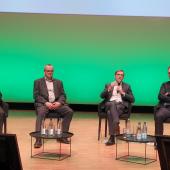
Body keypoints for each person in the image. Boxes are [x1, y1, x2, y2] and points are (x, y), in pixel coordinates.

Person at [33, 64, 73, 148]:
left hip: (56, 104)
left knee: (69, 112)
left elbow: (63, 95)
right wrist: (46, 103)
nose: (50, 72)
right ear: (44, 71)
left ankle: (63, 136)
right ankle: (38, 139)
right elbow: (36, 96)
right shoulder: (37, 82)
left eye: (51, 71)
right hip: (44, 104)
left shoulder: (59, 82)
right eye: (48, 71)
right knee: (40, 114)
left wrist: (59, 102)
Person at [100, 69, 135, 145]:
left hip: (120, 106)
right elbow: (101, 96)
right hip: (109, 104)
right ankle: (116, 122)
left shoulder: (127, 86)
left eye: (121, 75)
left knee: (110, 113)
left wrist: (123, 93)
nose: (120, 76)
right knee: (112, 104)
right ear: (115, 76)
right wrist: (108, 89)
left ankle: (112, 138)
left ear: (123, 77)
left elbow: (133, 99)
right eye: (118, 74)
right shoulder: (108, 84)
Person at [155, 66, 170, 136]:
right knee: (158, 115)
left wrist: (167, 95)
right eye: (169, 73)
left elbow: (163, 97)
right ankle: (159, 142)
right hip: (166, 108)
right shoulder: (165, 85)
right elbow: (160, 96)